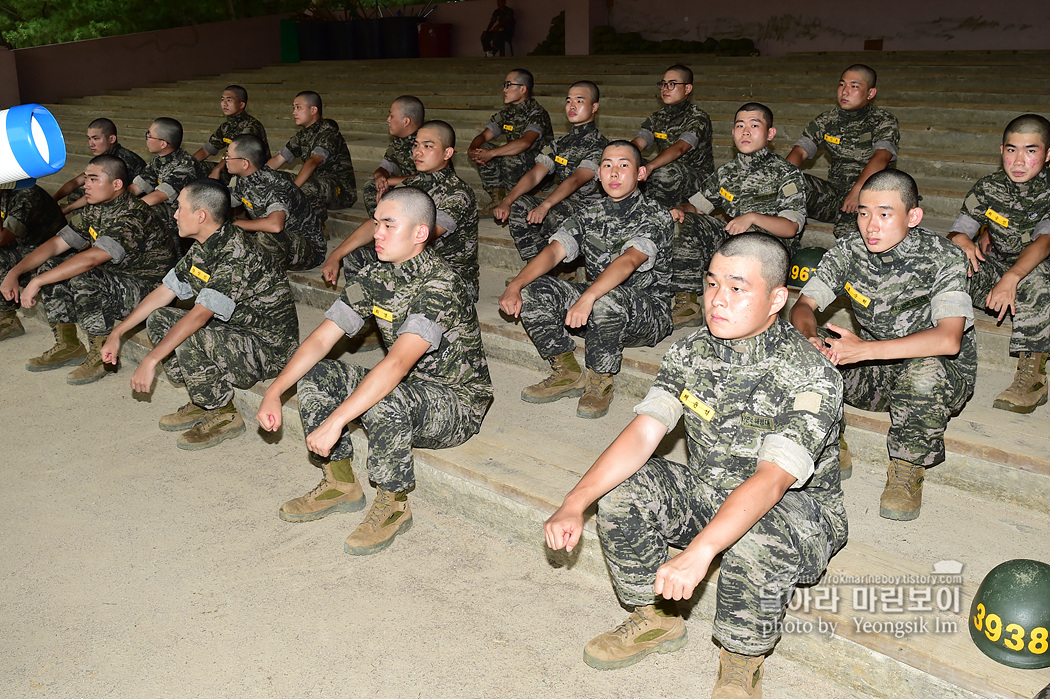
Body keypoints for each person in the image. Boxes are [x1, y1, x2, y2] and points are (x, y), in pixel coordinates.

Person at [544, 233, 847, 699]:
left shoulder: (810, 373)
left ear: (776, 299)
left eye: (737, 288)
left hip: (796, 512)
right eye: (711, 285)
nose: (717, 301)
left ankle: (742, 657)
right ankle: (656, 618)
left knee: (757, 531)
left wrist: (701, 551)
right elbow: (646, 432)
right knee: (624, 490)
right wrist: (574, 502)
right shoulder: (691, 351)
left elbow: (771, 482)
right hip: (712, 488)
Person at [257, 187, 492, 556]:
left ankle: (394, 504)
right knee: (317, 375)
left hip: (456, 403)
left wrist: (336, 421)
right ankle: (340, 482)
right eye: (376, 223)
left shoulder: (440, 285)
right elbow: (321, 341)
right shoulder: (376, 276)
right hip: (413, 388)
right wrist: (274, 390)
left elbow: (396, 365)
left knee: (385, 392)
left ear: (420, 234)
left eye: (388, 225)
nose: (376, 232)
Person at [790, 170, 976, 521]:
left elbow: (949, 339)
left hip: (937, 378)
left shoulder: (944, 258)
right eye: (863, 213)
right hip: (876, 372)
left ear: (913, 216)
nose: (871, 226)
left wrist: (864, 350)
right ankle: (828, 443)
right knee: (805, 352)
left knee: (925, 369)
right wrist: (811, 338)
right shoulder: (850, 252)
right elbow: (803, 306)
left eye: (885, 214)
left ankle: (907, 466)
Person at [101, 179, 299, 450]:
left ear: (201, 215)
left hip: (268, 348)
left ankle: (222, 413)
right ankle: (201, 396)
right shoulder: (206, 245)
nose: (174, 214)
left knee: (190, 336)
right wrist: (117, 332)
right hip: (235, 331)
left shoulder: (235, 253)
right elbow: (164, 292)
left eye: (179, 208)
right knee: (159, 319)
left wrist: (151, 359)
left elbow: (198, 317)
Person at [499, 141, 672, 419]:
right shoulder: (589, 213)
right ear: (599, 175)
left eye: (623, 165)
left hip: (647, 313)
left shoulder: (656, 214)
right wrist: (515, 285)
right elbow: (555, 251)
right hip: (594, 307)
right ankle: (567, 370)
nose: (614, 172)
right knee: (533, 290)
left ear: (640, 173)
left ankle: (600, 379)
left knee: (605, 298)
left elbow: (629, 261)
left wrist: (588, 297)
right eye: (607, 165)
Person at [0, 155, 177, 384]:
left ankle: (101, 352)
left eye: (94, 179)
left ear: (117, 185)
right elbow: (56, 244)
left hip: (149, 291)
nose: (86, 185)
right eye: (86, 179)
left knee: (83, 275)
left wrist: (36, 281)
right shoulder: (97, 209)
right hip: (120, 279)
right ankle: (68, 345)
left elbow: (91, 259)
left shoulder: (131, 214)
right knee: (51, 265)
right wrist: (15, 272)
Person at [668, 102, 807, 329]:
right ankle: (689, 305)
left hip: (769, 249)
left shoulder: (786, 172)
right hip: (732, 241)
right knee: (685, 222)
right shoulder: (726, 173)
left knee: (749, 235)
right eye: (740, 125)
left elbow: (791, 227)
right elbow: (697, 205)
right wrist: (681, 210)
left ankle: (741, 311)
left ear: (770, 133)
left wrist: (752, 217)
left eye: (754, 125)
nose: (746, 131)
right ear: (733, 132)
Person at [947, 114, 1050, 414]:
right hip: (1000, 273)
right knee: (948, 260)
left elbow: (1044, 243)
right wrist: (963, 241)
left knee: (1036, 276)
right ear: (1001, 150)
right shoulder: (989, 187)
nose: (1019, 160)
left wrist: (1011, 278)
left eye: (1031, 150)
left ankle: (1033, 376)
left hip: (1038, 276)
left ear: (1047, 155)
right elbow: (957, 230)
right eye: (1011, 149)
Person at [324, 120, 480, 301]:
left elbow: (423, 236)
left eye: (428, 146)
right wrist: (336, 255)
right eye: (416, 145)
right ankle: (361, 311)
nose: (418, 152)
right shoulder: (411, 184)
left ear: (447, 153)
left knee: (382, 267)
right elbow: (375, 224)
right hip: (413, 265)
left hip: (449, 278)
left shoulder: (458, 193)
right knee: (356, 258)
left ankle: (368, 311)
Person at [494, 80, 608, 269]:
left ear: (594, 107)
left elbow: (575, 180)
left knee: (549, 217)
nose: (572, 106)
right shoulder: (560, 144)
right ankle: (537, 268)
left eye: (579, 101)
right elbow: (534, 175)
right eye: (568, 100)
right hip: (564, 202)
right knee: (518, 205)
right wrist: (507, 200)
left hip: (589, 209)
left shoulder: (599, 145)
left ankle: (553, 266)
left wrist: (545, 205)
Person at [787, 64, 899, 239]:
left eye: (854, 86)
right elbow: (799, 152)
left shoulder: (883, 121)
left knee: (847, 234)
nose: (845, 92)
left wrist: (859, 191)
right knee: (788, 185)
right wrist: (781, 181)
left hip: (870, 197)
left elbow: (881, 158)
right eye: (842, 85)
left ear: (870, 93)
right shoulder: (827, 120)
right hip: (835, 195)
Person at [226, 134, 326, 271]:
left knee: (266, 236)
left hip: (309, 250)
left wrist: (239, 225)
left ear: (245, 163)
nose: (225, 159)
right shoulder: (245, 180)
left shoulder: (274, 186)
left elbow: (275, 225)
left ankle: (270, 279)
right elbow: (225, 201)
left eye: (229, 156)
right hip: (285, 242)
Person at [467, 68, 553, 215]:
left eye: (508, 85)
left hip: (537, 169)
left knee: (510, 154)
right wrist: (473, 148)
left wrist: (492, 153)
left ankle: (514, 199)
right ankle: (497, 198)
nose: (504, 89)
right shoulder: (507, 113)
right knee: (484, 148)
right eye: (504, 85)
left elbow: (525, 143)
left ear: (523, 89)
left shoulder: (536, 112)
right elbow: (484, 136)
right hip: (516, 163)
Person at [630, 64, 713, 209]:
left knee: (665, 172)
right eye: (663, 84)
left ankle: (664, 216)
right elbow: (639, 143)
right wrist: (623, 157)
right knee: (628, 164)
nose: (665, 88)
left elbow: (680, 148)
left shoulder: (698, 118)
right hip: (666, 169)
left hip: (696, 178)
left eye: (672, 84)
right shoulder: (657, 117)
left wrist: (649, 167)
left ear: (687, 89)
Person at [266, 91, 357, 221]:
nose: (294, 112)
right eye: (293, 108)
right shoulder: (303, 135)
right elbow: (279, 159)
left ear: (313, 110)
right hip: (317, 184)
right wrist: (257, 176)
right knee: (275, 177)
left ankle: (317, 225)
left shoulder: (328, 130)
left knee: (303, 185)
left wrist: (294, 190)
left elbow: (313, 161)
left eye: (298, 107)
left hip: (340, 190)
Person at [0, 185, 68, 340]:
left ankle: (68, 343)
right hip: (28, 251)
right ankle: (7, 317)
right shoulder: (5, 193)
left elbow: (1, 238)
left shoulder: (27, 194)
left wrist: (15, 272)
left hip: (52, 257)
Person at [129, 117, 209, 235]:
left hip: (187, 214)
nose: (146, 139)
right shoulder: (159, 160)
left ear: (163, 144)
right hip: (170, 208)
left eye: (149, 136)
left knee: (143, 213)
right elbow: (137, 187)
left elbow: (159, 196)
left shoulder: (185, 165)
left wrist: (129, 208)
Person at [52, 118, 147, 214]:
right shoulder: (105, 156)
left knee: (91, 201)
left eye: (96, 138)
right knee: (76, 194)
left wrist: (68, 208)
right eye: (89, 138)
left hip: (132, 204)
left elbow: (104, 192)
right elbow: (76, 181)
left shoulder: (123, 160)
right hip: (111, 195)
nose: (91, 144)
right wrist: (53, 200)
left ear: (111, 139)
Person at [193, 84, 269, 182]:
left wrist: (217, 169)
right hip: (232, 166)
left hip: (251, 173)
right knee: (195, 167)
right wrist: (187, 163)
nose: (224, 104)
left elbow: (237, 156)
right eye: (222, 99)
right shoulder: (226, 126)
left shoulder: (251, 126)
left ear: (241, 104)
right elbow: (207, 150)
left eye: (229, 100)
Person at [363, 95, 425, 216]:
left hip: (428, 191)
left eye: (392, 116)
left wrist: (389, 181)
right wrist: (380, 177)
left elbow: (426, 179)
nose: (388, 120)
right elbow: (386, 166)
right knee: (372, 186)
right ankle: (380, 225)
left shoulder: (426, 141)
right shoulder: (399, 141)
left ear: (406, 121)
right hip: (408, 187)